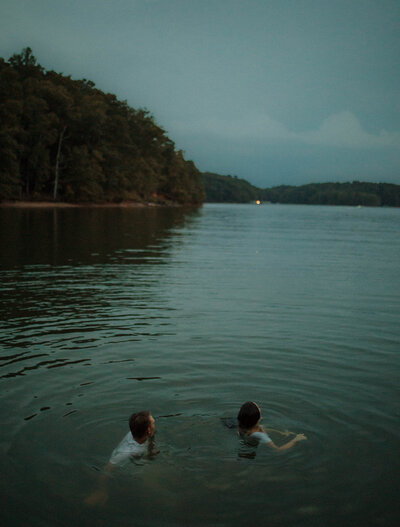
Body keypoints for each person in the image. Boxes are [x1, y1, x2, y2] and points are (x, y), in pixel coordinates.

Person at [85, 410, 156, 506]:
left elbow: (149, 442)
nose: (154, 421)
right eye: (153, 422)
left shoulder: (135, 433)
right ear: (148, 430)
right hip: (127, 474)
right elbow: (106, 470)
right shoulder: (127, 453)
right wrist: (101, 490)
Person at [237, 401, 307, 451]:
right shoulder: (261, 436)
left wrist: (280, 433)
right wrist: (295, 440)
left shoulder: (243, 426)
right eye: (258, 408)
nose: (259, 408)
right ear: (258, 418)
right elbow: (277, 450)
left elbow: (264, 429)